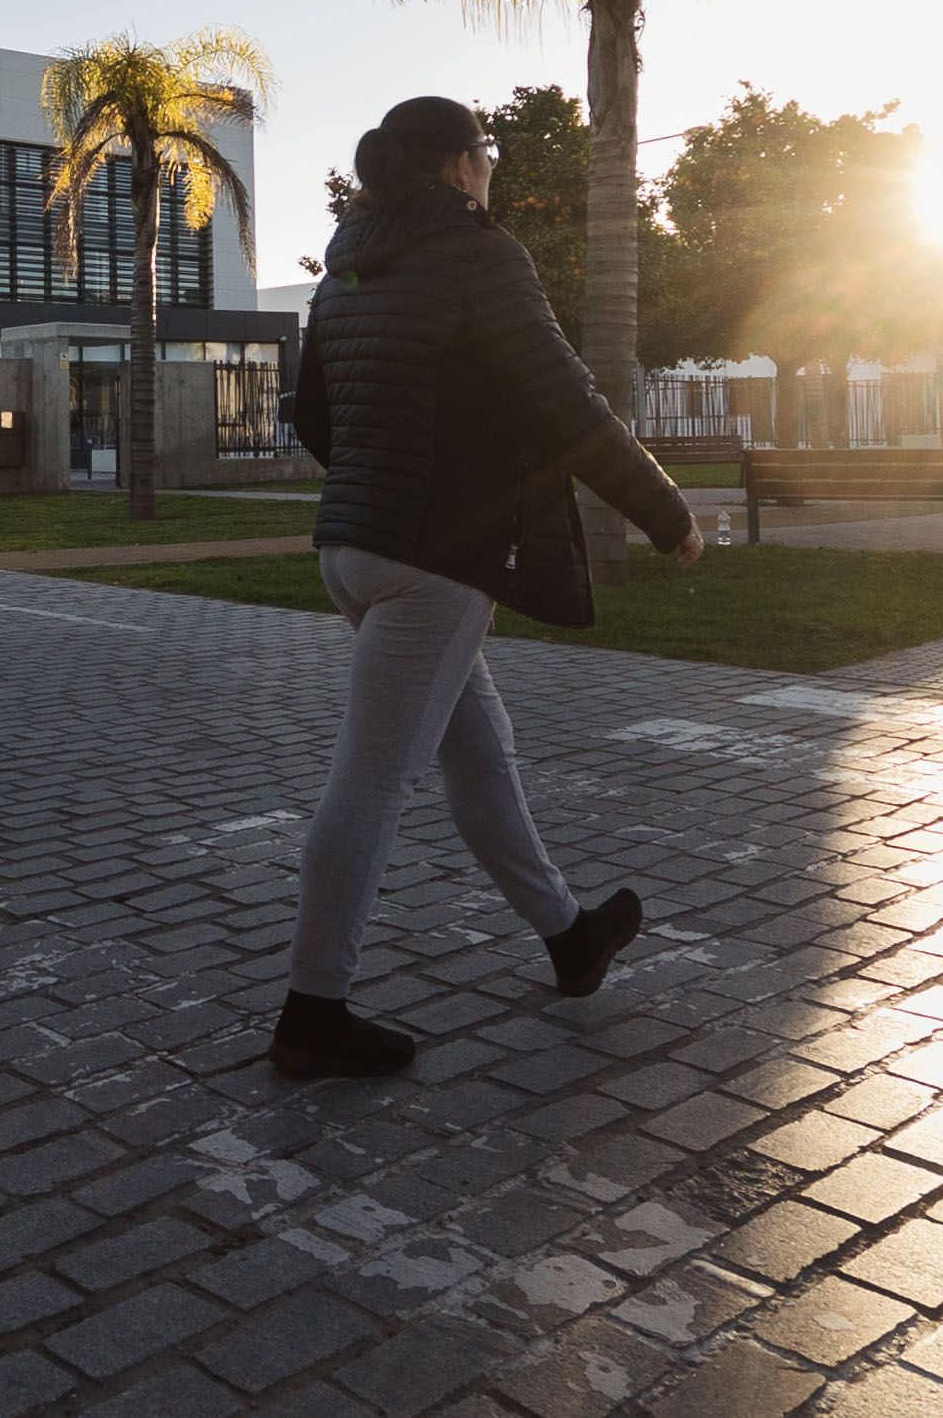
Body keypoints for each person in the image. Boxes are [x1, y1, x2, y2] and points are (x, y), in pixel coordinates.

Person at [274, 97, 704, 1079]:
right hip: (435, 560)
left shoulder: (348, 259)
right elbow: (565, 401)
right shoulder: (478, 252)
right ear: (462, 166)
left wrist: (373, 490)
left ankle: (568, 934)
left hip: (354, 549)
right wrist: (667, 511)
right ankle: (311, 1011)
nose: (495, 169)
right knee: (372, 786)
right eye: (491, 152)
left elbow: (312, 411)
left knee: (480, 755)